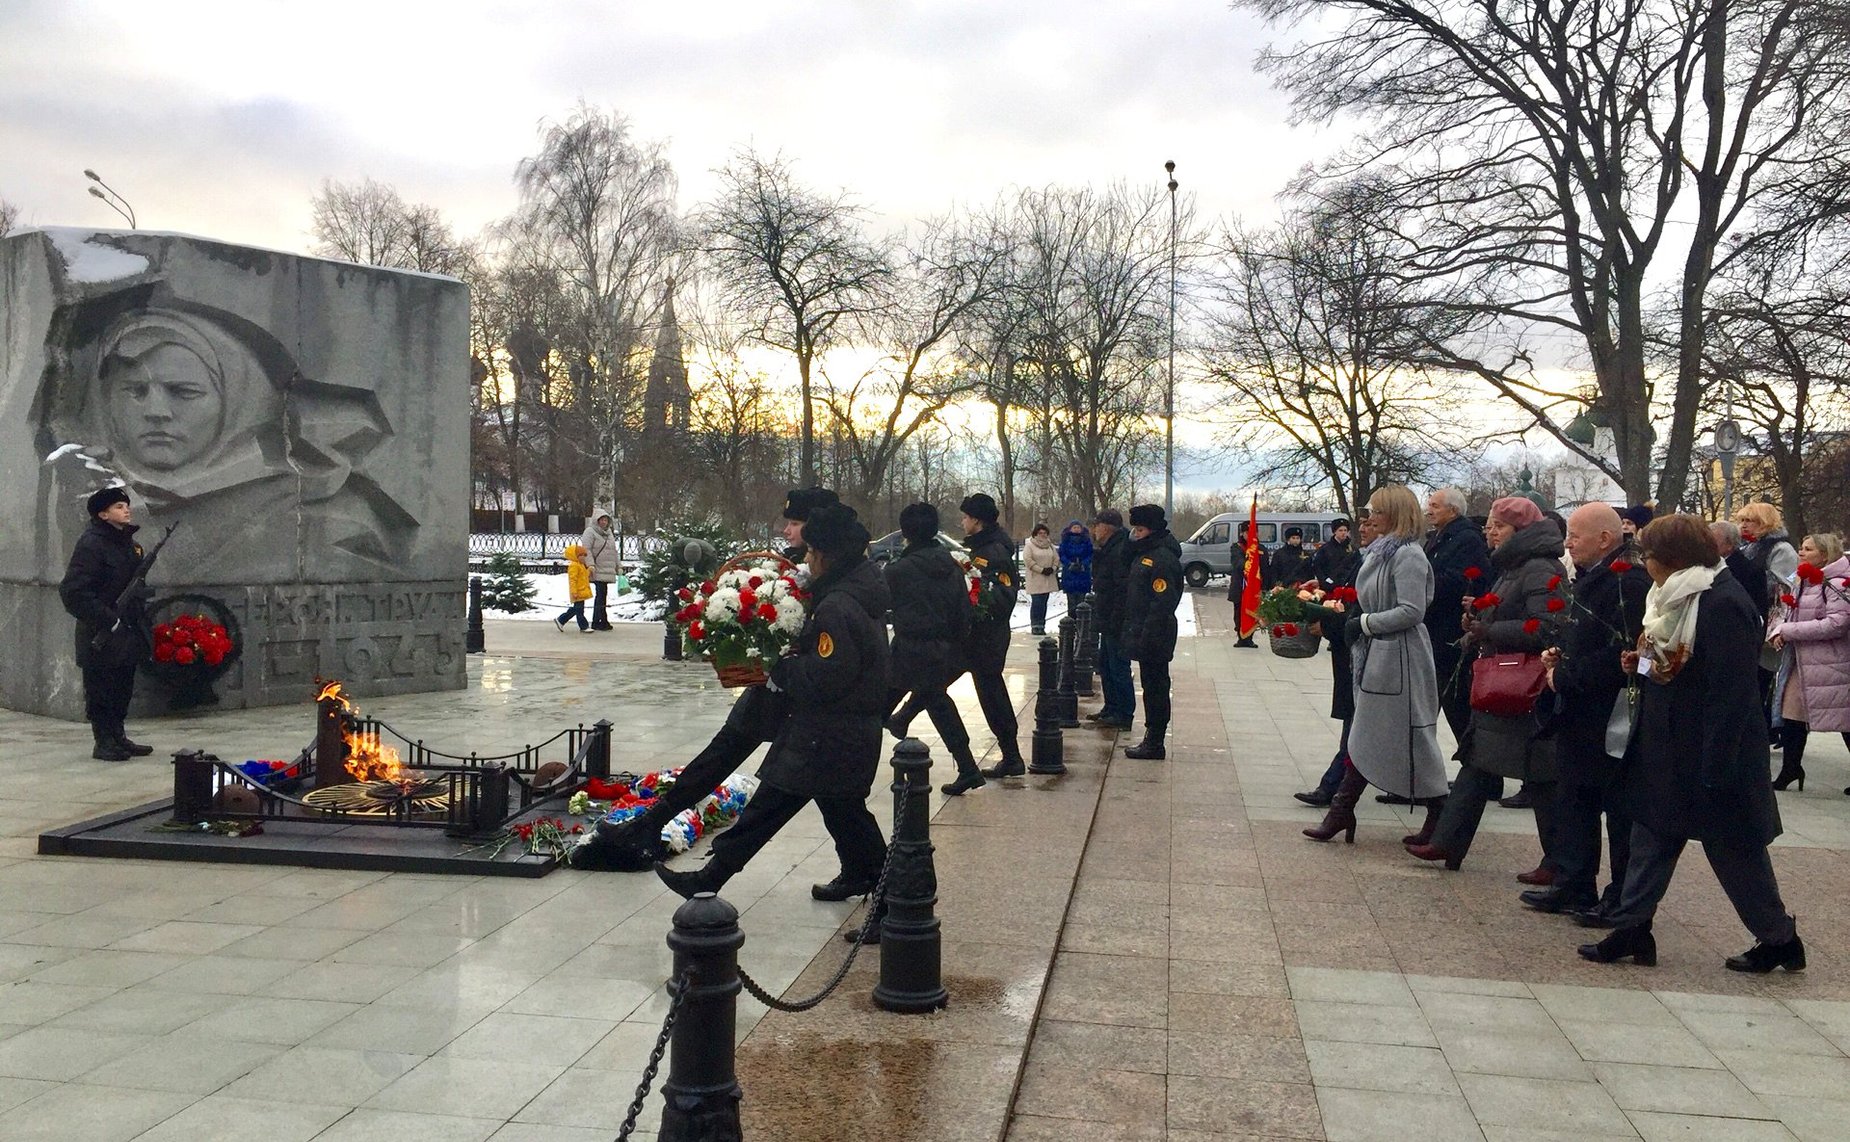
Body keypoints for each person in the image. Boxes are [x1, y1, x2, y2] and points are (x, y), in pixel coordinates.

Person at [569, 486, 835, 873]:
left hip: (799, 700)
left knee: (819, 793)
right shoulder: (789, 564)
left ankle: (690, 853)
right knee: (723, 756)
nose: (787, 530)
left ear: (818, 529)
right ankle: (652, 824)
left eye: (795, 523)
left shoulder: (827, 580)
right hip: (773, 691)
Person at [1580, 514, 1803, 973]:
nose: (1645, 563)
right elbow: (1672, 666)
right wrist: (1641, 665)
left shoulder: (1723, 602)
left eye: (1649, 555)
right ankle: (1632, 928)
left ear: (1673, 558)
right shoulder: (1671, 597)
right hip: (1668, 748)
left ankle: (1780, 938)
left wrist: (1716, 764)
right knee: (1651, 837)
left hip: (1713, 752)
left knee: (1735, 851)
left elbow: (1732, 691)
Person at [656, 503, 890, 907]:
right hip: (843, 732)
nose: (808, 560)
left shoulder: (838, 605)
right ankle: (874, 883)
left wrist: (778, 666)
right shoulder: (857, 589)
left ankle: (711, 877)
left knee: (771, 805)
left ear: (828, 556)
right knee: (844, 812)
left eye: (812, 552)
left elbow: (827, 676)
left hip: (828, 734)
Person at [1407, 498, 1567, 872]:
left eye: (1499, 526)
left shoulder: (1539, 568)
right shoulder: (1513, 566)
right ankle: (1447, 843)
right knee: (1478, 761)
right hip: (1503, 684)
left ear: (1520, 531)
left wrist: (1490, 629)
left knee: (1538, 775)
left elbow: (1548, 626)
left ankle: (1559, 862)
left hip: (1524, 687)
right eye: (1490, 525)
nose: (1490, 532)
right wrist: (1474, 627)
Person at [1524, 504, 1649, 922]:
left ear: (1605, 539)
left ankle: (1619, 896)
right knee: (1575, 798)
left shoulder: (1627, 582)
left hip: (1608, 711)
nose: (1568, 543)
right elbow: (1587, 636)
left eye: (1576, 535)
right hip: (1579, 709)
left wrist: (1568, 674)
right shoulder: (1593, 578)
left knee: (1615, 808)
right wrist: (1559, 655)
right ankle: (1574, 882)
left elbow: (1624, 650)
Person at [1303, 486, 1449, 842]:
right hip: (1377, 655)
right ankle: (1342, 810)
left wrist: (1364, 623)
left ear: (1395, 514)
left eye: (1377, 512)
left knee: (1411, 737)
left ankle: (1438, 813)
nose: (1369, 518)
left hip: (1402, 658)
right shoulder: (1380, 552)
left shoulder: (1409, 555)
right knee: (1365, 735)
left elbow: (1412, 611)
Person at [884, 502, 985, 796]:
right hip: (941, 648)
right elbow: (963, 611)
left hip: (908, 648)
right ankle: (967, 768)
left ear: (905, 533)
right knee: (936, 703)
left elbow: (879, 603)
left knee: (881, 705)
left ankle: (968, 768)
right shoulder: (950, 566)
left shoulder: (899, 570)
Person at [59, 486, 156, 762]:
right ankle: (103, 741)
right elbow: (73, 592)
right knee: (100, 689)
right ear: (103, 514)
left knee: (122, 686)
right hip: (99, 631)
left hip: (127, 629)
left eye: (126, 505)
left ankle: (118, 736)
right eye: (118, 507)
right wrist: (108, 619)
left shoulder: (130, 544)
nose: (126, 510)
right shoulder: (91, 544)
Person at [1767, 533, 1850, 793]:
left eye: (1808, 549)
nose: (1801, 553)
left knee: (1843, 717)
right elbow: (1789, 613)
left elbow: (1837, 623)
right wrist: (1779, 632)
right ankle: (1791, 768)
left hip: (1832, 662)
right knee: (1792, 714)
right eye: (1801, 548)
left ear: (1824, 555)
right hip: (1801, 660)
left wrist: (1790, 631)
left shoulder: (1836, 583)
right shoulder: (1803, 580)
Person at [960, 494, 1030, 779]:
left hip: (987, 636)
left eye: (966, 517)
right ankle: (1009, 756)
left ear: (977, 521)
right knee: (988, 693)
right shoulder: (983, 547)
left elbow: (1001, 597)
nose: (962, 522)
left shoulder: (993, 552)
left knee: (992, 696)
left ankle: (1011, 756)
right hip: (977, 636)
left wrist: (973, 602)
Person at [1294, 525, 1363, 808]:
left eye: (1373, 522)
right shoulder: (1360, 555)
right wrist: (1320, 590)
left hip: (1366, 651)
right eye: (1364, 523)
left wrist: (1329, 624)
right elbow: (1340, 586)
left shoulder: (1386, 558)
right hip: (1350, 650)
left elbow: (1362, 608)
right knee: (1357, 723)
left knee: (1358, 725)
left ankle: (1332, 788)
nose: (1364, 528)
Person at [1423, 488, 1494, 744]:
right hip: (1434, 630)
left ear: (1453, 510)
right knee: (1427, 709)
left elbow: (1457, 579)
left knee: (1456, 707)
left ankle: (1474, 762)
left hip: (1451, 632)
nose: (1429, 510)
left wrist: (1421, 582)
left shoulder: (1466, 538)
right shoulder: (1437, 537)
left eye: (1435, 505)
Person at [1122, 504, 1183, 760]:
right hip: (1144, 630)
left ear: (1153, 529)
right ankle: (1152, 737)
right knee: (1151, 685)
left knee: (1156, 687)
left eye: (1140, 529)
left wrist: (1147, 633)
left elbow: (1162, 602)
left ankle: (1155, 740)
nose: (1136, 534)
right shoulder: (1145, 553)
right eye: (1135, 529)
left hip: (1156, 633)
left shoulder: (1161, 558)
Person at [1739, 502, 1799, 747]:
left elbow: (1785, 586)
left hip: (1770, 621)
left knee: (1763, 680)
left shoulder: (1781, 549)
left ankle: (1767, 731)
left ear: (1765, 523)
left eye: (1750, 521)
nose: (1744, 526)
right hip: (1750, 617)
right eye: (1742, 521)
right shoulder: (1747, 547)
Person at [1085, 509, 1135, 731]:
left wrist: (1116, 618)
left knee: (1118, 666)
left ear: (1107, 527)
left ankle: (1124, 712)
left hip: (1117, 619)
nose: (1094, 530)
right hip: (1107, 616)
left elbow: (1121, 589)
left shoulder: (1120, 549)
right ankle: (1111, 707)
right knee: (1105, 664)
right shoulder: (1107, 548)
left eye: (1097, 525)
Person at [1711, 521, 1768, 620]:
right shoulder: (1707, 566)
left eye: (1713, 542)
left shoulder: (1750, 571)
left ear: (1729, 545)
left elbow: (1757, 610)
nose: (1708, 546)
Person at [580, 511, 622, 630]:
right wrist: (590, 565)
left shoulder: (608, 533)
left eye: (606, 520)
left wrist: (618, 566)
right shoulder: (590, 532)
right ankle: (598, 621)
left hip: (607, 568)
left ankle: (601, 620)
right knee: (600, 594)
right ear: (596, 520)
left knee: (603, 595)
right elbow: (586, 550)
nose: (604, 522)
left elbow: (613, 551)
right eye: (602, 520)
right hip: (596, 568)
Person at [1227, 521, 1259, 648]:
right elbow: (1238, 563)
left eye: (1254, 533)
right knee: (1239, 613)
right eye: (1248, 532)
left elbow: (1265, 567)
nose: (1250, 535)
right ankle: (1241, 637)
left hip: (1254, 588)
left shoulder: (1260, 549)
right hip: (1240, 586)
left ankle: (1249, 638)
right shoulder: (1237, 547)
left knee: (1253, 612)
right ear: (1242, 533)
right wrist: (1249, 561)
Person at [1024, 523, 1058, 636]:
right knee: (1037, 602)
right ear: (1035, 534)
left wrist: (1053, 568)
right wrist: (1041, 570)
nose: (1043, 535)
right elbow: (1028, 560)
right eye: (1040, 533)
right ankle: (1035, 625)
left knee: (1044, 603)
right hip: (1035, 578)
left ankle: (1042, 625)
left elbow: (1056, 558)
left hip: (1048, 578)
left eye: (1045, 533)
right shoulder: (1030, 545)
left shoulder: (1050, 546)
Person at [554, 543, 593, 633]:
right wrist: (574, 592)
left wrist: (589, 571)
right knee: (579, 611)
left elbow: (583, 577)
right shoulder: (574, 566)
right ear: (575, 556)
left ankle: (561, 620)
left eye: (584, 555)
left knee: (576, 609)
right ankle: (584, 626)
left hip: (582, 592)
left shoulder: (581, 565)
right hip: (578, 592)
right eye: (581, 555)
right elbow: (572, 580)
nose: (583, 557)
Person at [1058, 520, 1094, 615]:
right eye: (1074, 527)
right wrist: (1069, 564)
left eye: (1078, 527)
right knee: (1071, 601)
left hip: (1083, 572)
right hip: (1069, 573)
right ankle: (1071, 619)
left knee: (1082, 599)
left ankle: (1081, 620)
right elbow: (1062, 554)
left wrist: (1083, 564)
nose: (1076, 529)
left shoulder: (1086, 541)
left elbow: (1090, 554)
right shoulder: (1065, 540)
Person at [1309, 519, 1356, 587]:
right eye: (1340, 530)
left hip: (1348, 585)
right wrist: (1324, 580)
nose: (1343, 533)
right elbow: (1317, 566)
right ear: (1334, 532)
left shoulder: (1352, 549)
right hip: (1330, 584)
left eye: (1345, 530)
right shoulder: (1326, 548)